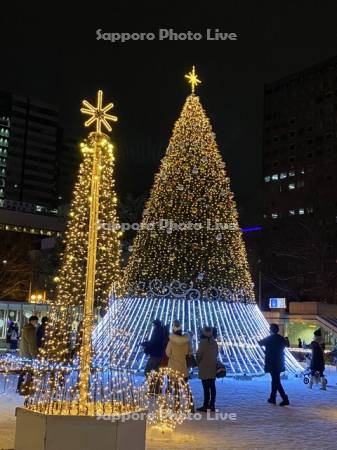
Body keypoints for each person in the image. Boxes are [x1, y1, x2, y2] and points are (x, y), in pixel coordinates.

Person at [166, 319, 194, 411]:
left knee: (176, 388)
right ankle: (191, 405)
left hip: (173, 368)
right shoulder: (187, 341)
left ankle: (177, 405)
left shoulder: (171, 342)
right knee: (186, 387)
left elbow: (167, 353)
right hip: (183, 367)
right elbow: (190, 352)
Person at [258, 323, 289, 406]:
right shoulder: (281, 338)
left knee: (276, 381)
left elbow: (259, 343)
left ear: (271, 330)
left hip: (272, 362)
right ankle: (272, 398)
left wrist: (265, 351)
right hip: (279, 361)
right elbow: (287, 344)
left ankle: (284, 398)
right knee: (275, 380)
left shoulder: (269, 338)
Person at [196, 326, 218, 412]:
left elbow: (198, 356)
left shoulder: (202, 343)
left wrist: (199, 364)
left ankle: (205, 405)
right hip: (212, 367)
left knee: (206, 388)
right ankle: (212, 405)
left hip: (204, 367)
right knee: (212, 387)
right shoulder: (214, 342)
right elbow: (216, 353)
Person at [17, 315, 38, 394]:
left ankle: (19, 387)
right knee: (30, 372)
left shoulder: (25, 329)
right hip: (28, 355)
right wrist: (34, 356)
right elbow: (31, 344)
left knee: (23, 371)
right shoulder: (31, 330)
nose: (36, 323)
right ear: (32, 321)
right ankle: (28, 388)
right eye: (35, 321)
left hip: (23, 354)